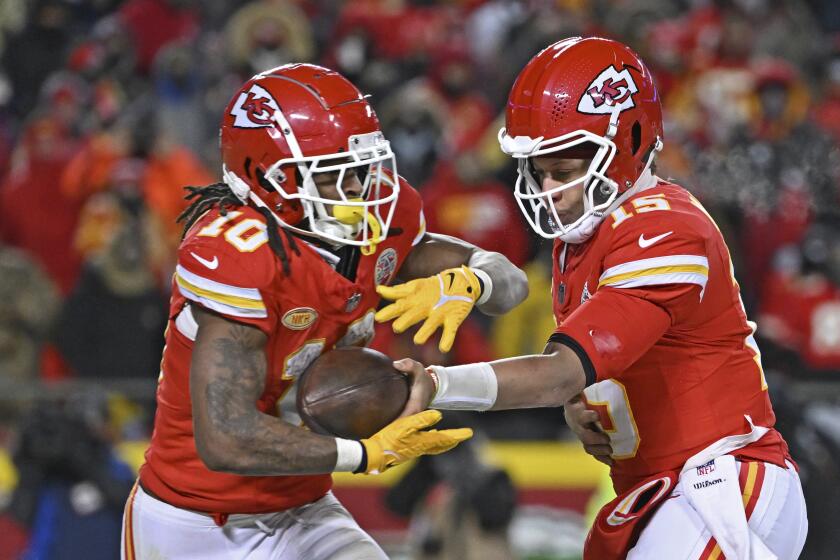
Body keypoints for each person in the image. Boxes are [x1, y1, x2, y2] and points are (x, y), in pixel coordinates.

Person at [394, 37, 808, 559]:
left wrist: (434, 384)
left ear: (628, 143)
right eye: (538, 171)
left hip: (721, 482)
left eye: (564, 172)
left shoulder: (664, 228)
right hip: (660, 491)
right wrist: (580, 405)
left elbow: (560, 371)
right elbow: (599, 369)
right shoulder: (583, 240)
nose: (549, 190)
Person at [122, 63, 528, 560]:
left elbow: (512, 283)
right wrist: (366, 454)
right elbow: (225, 437)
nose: (359, 188)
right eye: (336, 172)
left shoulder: (381, 225)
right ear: (270, 178)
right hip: (196, 519)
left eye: (361, 169)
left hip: (304, 508)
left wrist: (474, 281)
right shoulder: (241, 252)